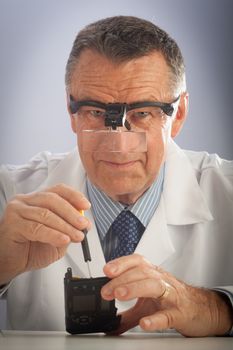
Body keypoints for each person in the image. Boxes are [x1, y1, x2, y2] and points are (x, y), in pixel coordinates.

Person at [0, 15, 232, 336]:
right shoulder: (8, 194)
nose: (119, 146)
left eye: (142, 113)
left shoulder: (228, 192)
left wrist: (219, 308)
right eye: (95, 112)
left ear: (177, 115)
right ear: (71, 111)